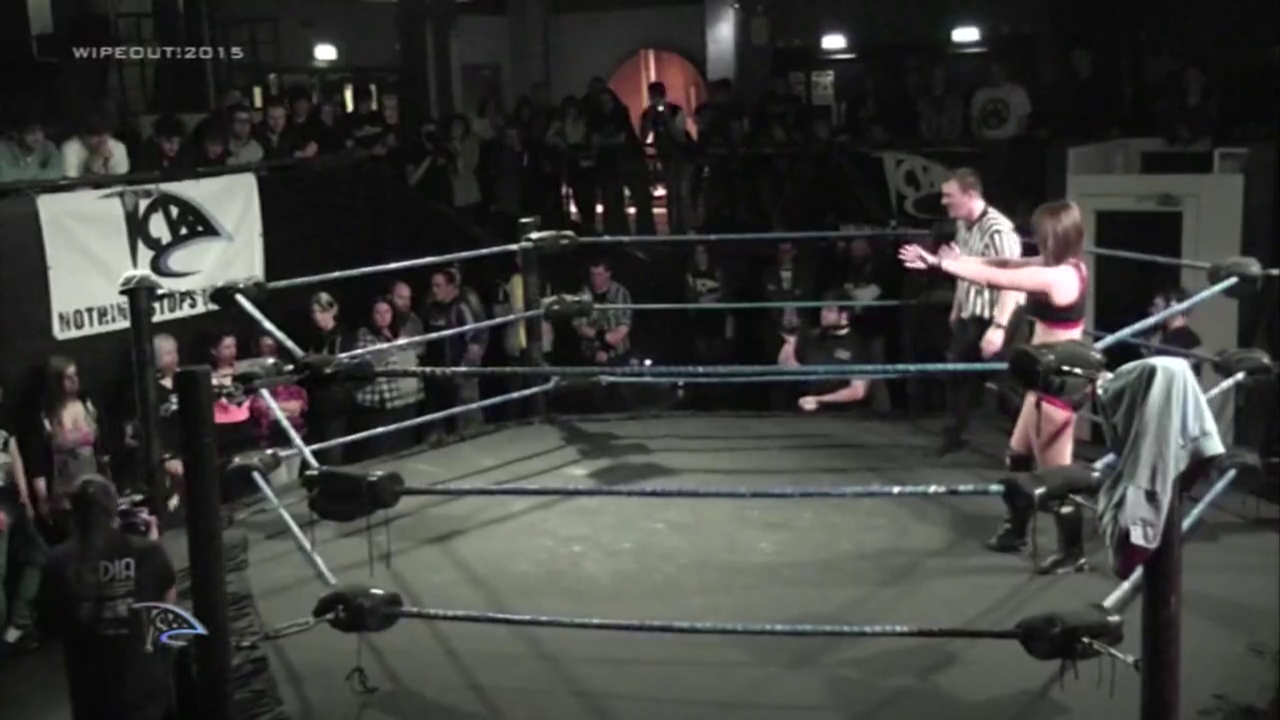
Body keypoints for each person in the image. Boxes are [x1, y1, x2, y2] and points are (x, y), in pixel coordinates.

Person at [901, 199, 1090, 573]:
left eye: (1041, 234)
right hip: (1043, 376)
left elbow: (1002, 280)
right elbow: (1005, 264)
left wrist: (942, 265)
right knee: (1017, 457)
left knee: (1056, 476)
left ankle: (1073, 552)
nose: (1036, 239)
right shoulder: (1054, 264)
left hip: (1059, 381)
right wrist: (960, 261)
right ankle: (1015, 531)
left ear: (1056, 235)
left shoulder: (1061, 276)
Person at [37, 475, 176, 720]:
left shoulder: (57, 561)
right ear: (114, 509)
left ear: (73, 515)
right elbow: (167, 607)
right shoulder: (147, 551)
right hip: (145, 687)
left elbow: (47, 624)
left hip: (92, 695)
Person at [930, 169, 1024, 455]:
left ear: (970, 195)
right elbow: (963, 269)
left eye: (949, 196)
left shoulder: (999, 230)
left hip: (1002, 315)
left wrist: (999, 327)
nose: (944, 202)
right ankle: (953, 436)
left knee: (1008, 387)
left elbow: (1012, 281)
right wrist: (958, 306)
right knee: (957, 374)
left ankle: (1029, 446)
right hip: (972, 313)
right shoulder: (963, 224)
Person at [777, 289, 872, 412]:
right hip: (803, 409)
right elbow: (788, 370)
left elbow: (858, 391)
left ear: (844, 315)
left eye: (829, 310)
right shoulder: (811, 336)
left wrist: (819, 400)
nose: (823, 314)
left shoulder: (858, 344)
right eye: (822, 309)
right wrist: (790, 342)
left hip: (841, 414)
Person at [0, 423, 45, 657]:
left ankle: (19, 623)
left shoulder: (5, 422)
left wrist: (24, 496)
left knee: (38, 555)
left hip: (12, 499)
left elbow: (15, 457)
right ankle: (11, 630)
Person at [1149, 287, 1204, 374]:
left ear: (1173, 306)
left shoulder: (1183, 341)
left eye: (1157, 306)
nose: (1152, 311)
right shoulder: (1189, 338)